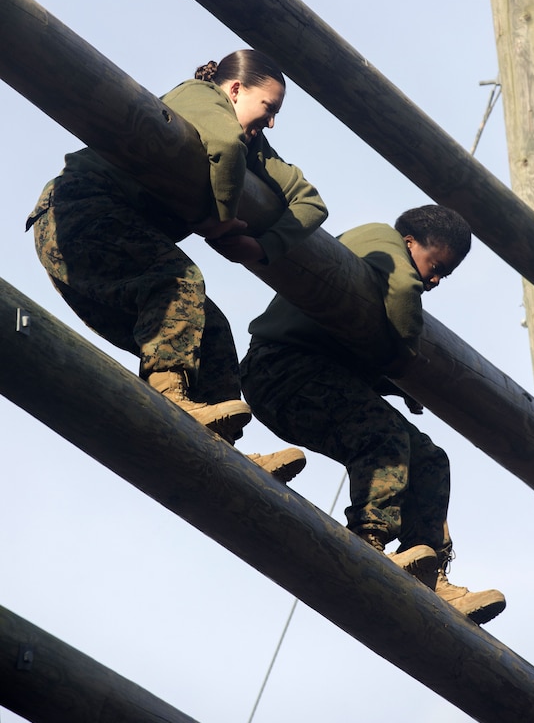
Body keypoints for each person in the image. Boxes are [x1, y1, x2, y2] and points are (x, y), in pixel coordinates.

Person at [26, 49, 328, 482]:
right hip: (78, 213)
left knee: (212, 327)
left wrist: (260, 248)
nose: (272, 122)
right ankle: (169, 394)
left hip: (122, 238)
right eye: (269, 108)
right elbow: (222, 145)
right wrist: (223, 222)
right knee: (178, 279)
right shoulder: (201, 96)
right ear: (236, 89)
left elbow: (311, 203)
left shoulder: (255, 145)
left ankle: (221, 448)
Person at [240, 205, 506, 624]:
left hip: (318, 373)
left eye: (443, 276)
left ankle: (427, 570)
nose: (434, 281)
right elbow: (402, 289)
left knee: (430, 458)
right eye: (435, 267)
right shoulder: (380, 239)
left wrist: (396, 384)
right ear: (409, 242)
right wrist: (402, 364)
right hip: (280, 369)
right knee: (383, 437)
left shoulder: (386, 261)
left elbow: (361, 340)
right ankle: (369, 537)